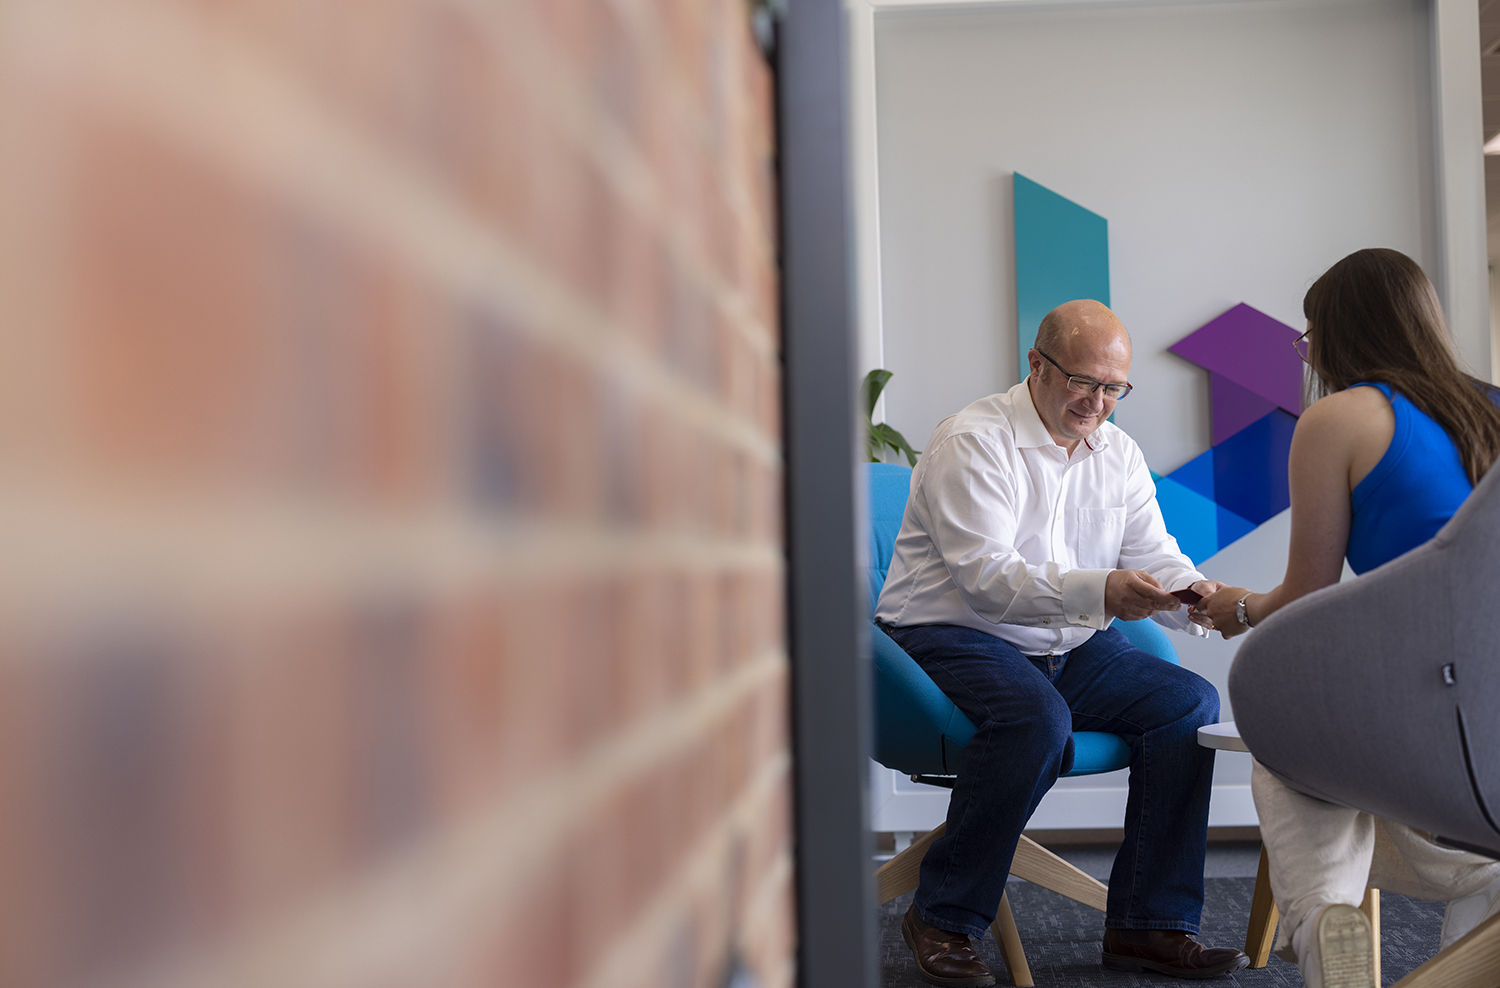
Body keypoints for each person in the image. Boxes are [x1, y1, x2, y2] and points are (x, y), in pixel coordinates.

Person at [876, 299, 1251, 985]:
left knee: (1186, 704)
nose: (1099, 403)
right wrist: (1103, 591)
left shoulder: (1119, 453)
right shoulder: (973, 440)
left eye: (1114, 388)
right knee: (1035, 719)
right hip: (947, 632)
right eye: (1084, 382)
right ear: (1038, 365)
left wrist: (1197, 596)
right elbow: (988, 581)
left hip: (1064, 644)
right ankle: (942, 916)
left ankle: (1150, 925)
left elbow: (1154, 552)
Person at [1198, 248, 1500, 988]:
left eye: (1310, 332)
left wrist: (1235, 606)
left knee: (1288, 751)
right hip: (1492, 719)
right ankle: (1474, 914)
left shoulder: (1339, 418)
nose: (1310, 349)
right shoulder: (1489, 407)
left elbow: (1305, 597)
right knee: (1374, 795)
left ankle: (1325, 921)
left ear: (1340, 331)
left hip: (1423, 699)